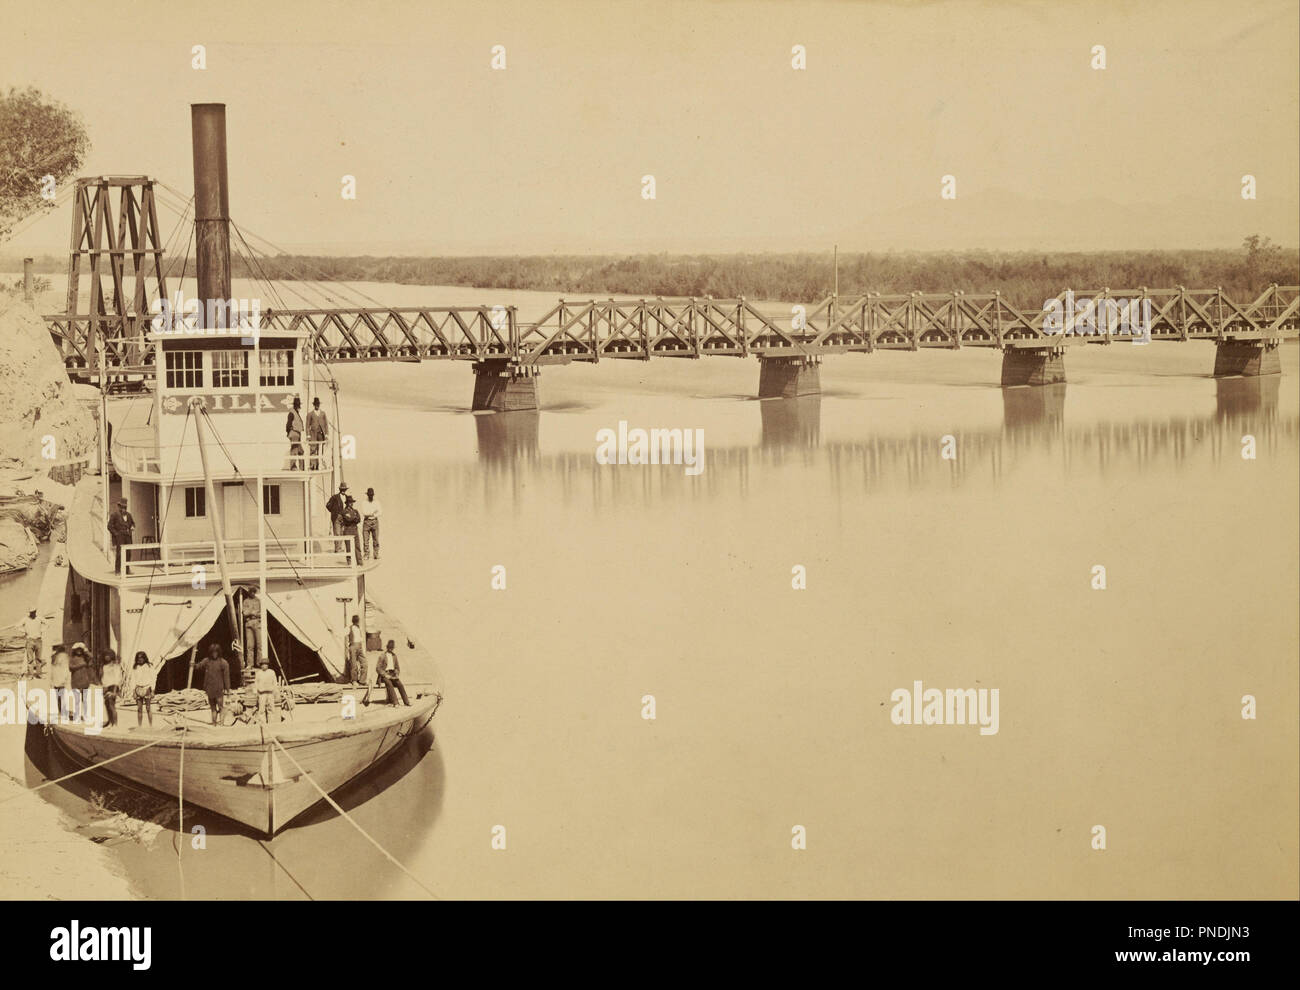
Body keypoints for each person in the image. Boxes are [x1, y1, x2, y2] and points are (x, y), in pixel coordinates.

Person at [198, 643, 231, 725]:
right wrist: (193, 665)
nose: (214, 654)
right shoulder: (207, 661)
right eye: (213, 652)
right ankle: (214, 724)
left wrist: (228, 689)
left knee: (220, 707)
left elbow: (226, 678)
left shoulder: (223, 663)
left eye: (216, 652)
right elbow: (199, 666)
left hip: (219, 689)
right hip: (210, 689)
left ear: (219, 652)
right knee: (213, 708)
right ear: (210, 652)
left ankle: (222, 724)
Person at [376, 639, 410, 707]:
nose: (391, 649)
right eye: (390, 648)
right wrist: (385, 675)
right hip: (384, 675)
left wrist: (396, 674)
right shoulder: (382, 656)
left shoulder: (394, 656)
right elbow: (378, 668)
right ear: (387, 647)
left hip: (393, 674)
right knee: (389, 684)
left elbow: (397, 667)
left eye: (392, 648)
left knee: (400, 685)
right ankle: (396, 703)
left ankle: (406, 702)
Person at [107, 498, 135, 573]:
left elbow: (132, 523)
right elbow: (109, 526)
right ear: (119, 506)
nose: (123, 509)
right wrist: (116, 534)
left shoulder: (129, 515)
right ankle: (117, 570)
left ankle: (127, 569)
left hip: (128, 536)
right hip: (120, 537)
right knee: (119, 553)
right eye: (122, 507)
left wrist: (132, 527)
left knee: (128, 553)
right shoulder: (114, 515)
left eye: (125, 507)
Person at [131, 651, 155, 728]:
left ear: (144, 658)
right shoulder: (135, 667)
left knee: (148, 708)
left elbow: (153, 678)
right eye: (138, 658)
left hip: (147, 688)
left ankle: (151, 726)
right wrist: (133, 691)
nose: (140, 659)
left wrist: (153, 691)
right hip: (138, 688)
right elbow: (133, 680)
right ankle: (140, 726)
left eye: (142, 657)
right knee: (139, 709)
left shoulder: (149, 666)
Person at [100, 650, 122, 728]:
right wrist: (103, 687)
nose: (107, 657)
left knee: (112, 705)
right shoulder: (104, 666)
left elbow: (117, 679)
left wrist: (115, 691)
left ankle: (115, 724)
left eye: (108, 655)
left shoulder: (115, 666)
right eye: (105, 655)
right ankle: (110, 721)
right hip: (105, 686)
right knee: (107, 705)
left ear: (112, 656)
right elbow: (103, 678)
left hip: (113, 686)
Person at [241, 587, 262, 668]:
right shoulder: (245, 601)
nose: (252, 593)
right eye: (251, 592)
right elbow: (245, 613)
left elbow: (261, 613)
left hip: (257, 622)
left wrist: (251, 613)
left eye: (254, 592)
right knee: (250, 646)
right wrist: (253, 612)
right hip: (249, 623)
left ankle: (259, 663)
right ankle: (250, 664)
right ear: (248, 592)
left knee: (259, 645)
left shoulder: (258, 601)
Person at [306, 396, 328, 470]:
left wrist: (327, 434)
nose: (317, 405)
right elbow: (307, 425)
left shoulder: (323, 413)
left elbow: (326, 425)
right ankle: (312, 465)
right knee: (313, 449)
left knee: (320, 449)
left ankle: (319, 465)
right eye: (316, 404)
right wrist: (308, 435)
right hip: (313, 434)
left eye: (318, 404)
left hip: (321, 434)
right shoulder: (310, 414)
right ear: (314, 405)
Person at [326, 481, 349, 550]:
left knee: (342, 533)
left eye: (345, 489)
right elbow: (328, 505)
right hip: (337, 517)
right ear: (340, 489)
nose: (343, 491)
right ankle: (337, 548)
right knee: (337, 533)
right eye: (342, 489)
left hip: (344, 517)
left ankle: (340, 547)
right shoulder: (335, 497)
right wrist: (334, 512)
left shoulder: (347, 497)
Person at [253, 659, 277, 724]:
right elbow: (256, 683)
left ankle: (271, 723)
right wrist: (255, 693)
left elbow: (275, 682)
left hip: (270, 693)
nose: (264, 666)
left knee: (271, 709)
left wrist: (275, 691)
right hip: (262, 694)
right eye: (263, 664)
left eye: (265, 664)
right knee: (261, 710)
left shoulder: (272, 672)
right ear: (261, 666)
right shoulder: (258, 673)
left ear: (268, 665)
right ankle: (262, 723)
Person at [49, 645, 70, 719]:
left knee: (58, 696)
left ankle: (61, 711)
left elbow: (53, 669)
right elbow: (65, 668)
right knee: (61, 696)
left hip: (57, 678)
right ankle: (62, 711)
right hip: (60, 678)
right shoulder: (64, 657)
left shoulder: (55, 657)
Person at [361, 487, 382, 560]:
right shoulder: (364, 502)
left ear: (373, 495)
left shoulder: (377, 502)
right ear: (367, 495)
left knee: (376, 539)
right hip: (367, 521)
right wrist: (373, 512)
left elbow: (380, 512)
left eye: (372, 495)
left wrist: (374, 514)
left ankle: (376, 554)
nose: (371, 496)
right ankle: (366, 554)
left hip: (375, 521)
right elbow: (364, 512)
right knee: (365, 539)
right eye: (369, 495)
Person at [285, 397, 306, 470]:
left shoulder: (296, 412)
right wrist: (288, 433)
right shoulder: (292, 413)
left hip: (297, 434)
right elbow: (288, 424)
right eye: (298, 405)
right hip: (294, 433)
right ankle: (293, 466)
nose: (299, 406)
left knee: (301, 451)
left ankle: (302, 467)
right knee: (294, 450)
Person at [346, 614, 366, 687]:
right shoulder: (349, 628)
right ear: (354, 621)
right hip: (353, 646)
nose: (358, 622)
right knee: (353, 664)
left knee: (364, 664)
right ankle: (354, 680)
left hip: (359, 646)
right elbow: (342, 634)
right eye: (357, 621)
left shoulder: (359, 628)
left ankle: (362, 681)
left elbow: (361, 639)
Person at [21, 609, 42, 678]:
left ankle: (38, 674)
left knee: (38, 658)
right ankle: (31, 675)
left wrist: (42, 630)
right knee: (30, 659)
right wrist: (24, 631)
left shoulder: (39, 618)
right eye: (31, 612)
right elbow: (17, 626)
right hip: (30, 640)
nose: (32, 613)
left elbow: (47, 623)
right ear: (29, 613)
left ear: (35, 612)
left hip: (38, 640)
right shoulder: (25, 619)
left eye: (34, 612)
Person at [341, 495, 361, 560]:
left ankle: (359, 562)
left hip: (355, 529)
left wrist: (352, 517)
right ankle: (349, 562)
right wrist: (354, 517)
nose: (351, 503)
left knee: (357, 546)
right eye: (349, 502)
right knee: (348, 547)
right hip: (347, 529)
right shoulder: (344, 511)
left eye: (352, 502)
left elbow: (359, 519)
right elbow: (348, 519)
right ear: (347, 503)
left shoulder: (356, 511)